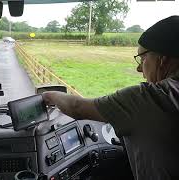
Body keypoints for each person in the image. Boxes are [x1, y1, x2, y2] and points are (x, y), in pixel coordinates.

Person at [42, 16, 179, 180]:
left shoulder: (150, 97)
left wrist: (49, 95)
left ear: (162, 61)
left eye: (142, 59)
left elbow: (77, 108)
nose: (138, 68)